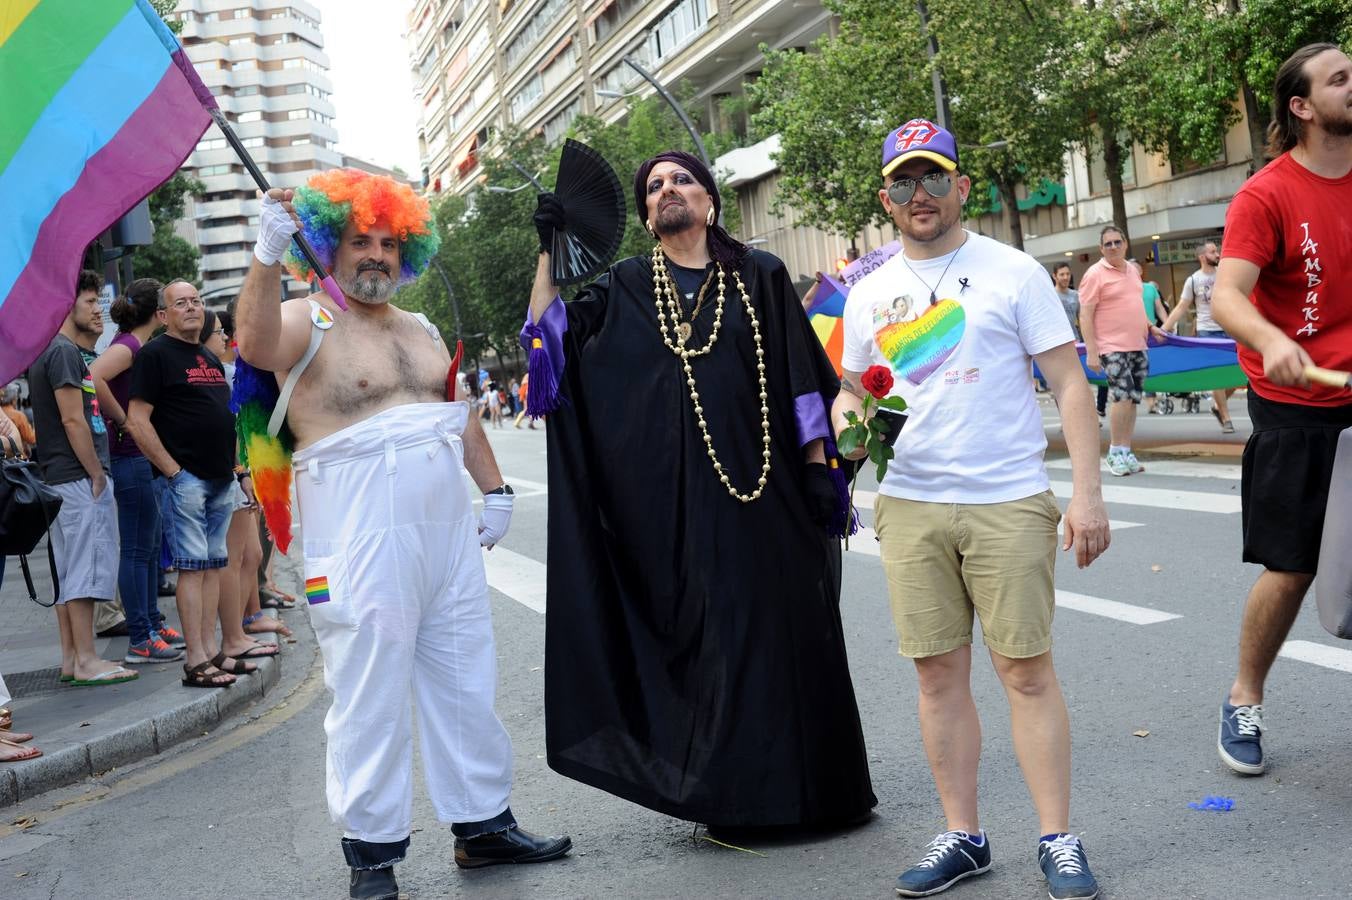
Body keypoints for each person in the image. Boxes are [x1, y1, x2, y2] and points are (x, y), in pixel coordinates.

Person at [235, 168, 570, 899]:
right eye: (361, 241)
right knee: (368, 693)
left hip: (443, 532)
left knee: (464, 678)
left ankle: (483, 826)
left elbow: (455, 416)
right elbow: (253, 345)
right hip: (354, 536)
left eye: (389, 242)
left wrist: (497, 489)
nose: (377, 255)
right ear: (330, 247)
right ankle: (372, 855)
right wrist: (265, 250)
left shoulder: (418, 327)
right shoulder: (305, 318)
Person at [525, 150, 876, 833]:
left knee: (791, 637)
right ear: (648, 216)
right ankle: (737, 800)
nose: (667, 191)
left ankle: (823, 796)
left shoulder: (761, 275)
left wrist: (818, 474)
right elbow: (549, 347)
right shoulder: (627, 285)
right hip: (677, 512)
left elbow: (805, 384)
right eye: (653, 187)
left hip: (771, 495)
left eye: (681, 179)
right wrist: (550, 254)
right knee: (716, 644)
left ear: (710, 200)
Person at [834, 119, 1109, 900]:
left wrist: (1086, 494)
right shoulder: (867, 293)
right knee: (936, 676)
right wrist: (842, 441)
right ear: (885, 199)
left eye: (932, 178)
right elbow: (859, 390)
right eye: (902, 182)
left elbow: (1069, 385)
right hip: (911, 504)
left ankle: (1058, 838)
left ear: (961, 187)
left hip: (1006, 499)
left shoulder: (1014, 272)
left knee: (1025, 671)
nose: (918, 195)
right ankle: (965, 835)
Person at [1211, 43, 1352, 777]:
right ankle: (1244, 696)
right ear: (1301, 107)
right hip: (1296, 402)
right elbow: (1226, 293)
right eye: (1341, 78)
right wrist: (1271, 338)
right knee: (1293, 568)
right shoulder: (1266, 195)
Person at [127, 281, 249, 689]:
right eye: (181, 303)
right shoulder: (154, 356)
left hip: (219, 477)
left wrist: (236, 470)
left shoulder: (207, 357)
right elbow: (137, 420)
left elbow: (222, 415)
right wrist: (173, 472)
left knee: (213, 567)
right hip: (186, 481)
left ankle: (212, 651)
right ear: (163, 316)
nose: (192, 307)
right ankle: (195, 661)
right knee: (193, 571)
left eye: (196, 301)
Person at [26, 270, 137, 686]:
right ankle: (88, 660)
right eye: (90, 301)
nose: (98, 308)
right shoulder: (64, 352)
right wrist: (96, 474)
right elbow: (75, 420)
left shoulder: (48, 350)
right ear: (65, 304)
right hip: (77, 478)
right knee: (85, 568)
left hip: (62, 479)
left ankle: (73, 659)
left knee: (69, 569)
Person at [90, 278, 185, 665]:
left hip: (137, 457)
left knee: (146, 547)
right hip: (128, 457)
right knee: (135, 548)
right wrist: (124, 421)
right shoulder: (129, 345)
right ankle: (141, 637)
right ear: (157, 312)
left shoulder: (137, 345)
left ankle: (151, 621)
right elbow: (93, 376)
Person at [1079, 227, 1167, 476]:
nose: (1113, 247)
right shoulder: (1094, 274)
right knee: (1122, 396)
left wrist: (1151, 327)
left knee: (1133, 398)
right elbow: (1085, 315)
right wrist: (1092, 351)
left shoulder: (1132, 271)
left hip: (1137, 344)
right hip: (1111, 346)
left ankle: (1126, 451)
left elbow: (1135, 306)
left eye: (1118, 242)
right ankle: (1115, 452)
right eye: (1108, 244)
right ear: (1101, 248)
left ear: (1126, 244)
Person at [1161, 242, 1238, 431]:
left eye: (1217, 251)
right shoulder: (1193, 280)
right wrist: (1164, 329)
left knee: (1240, 373)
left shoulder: (1225, 274)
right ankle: (1226, 417)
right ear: (1202, 256)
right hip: (1207, 332)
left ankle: (1216, 406)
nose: (1217, 254)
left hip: (1229, 328)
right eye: (1213, 252)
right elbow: (1181, 307)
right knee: (1217, 377)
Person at [2, 382, 36, 453]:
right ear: (13, 399)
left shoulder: (2, 414)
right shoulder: (18, 416)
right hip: (18, 457)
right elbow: (31, 439)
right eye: (16, 397)